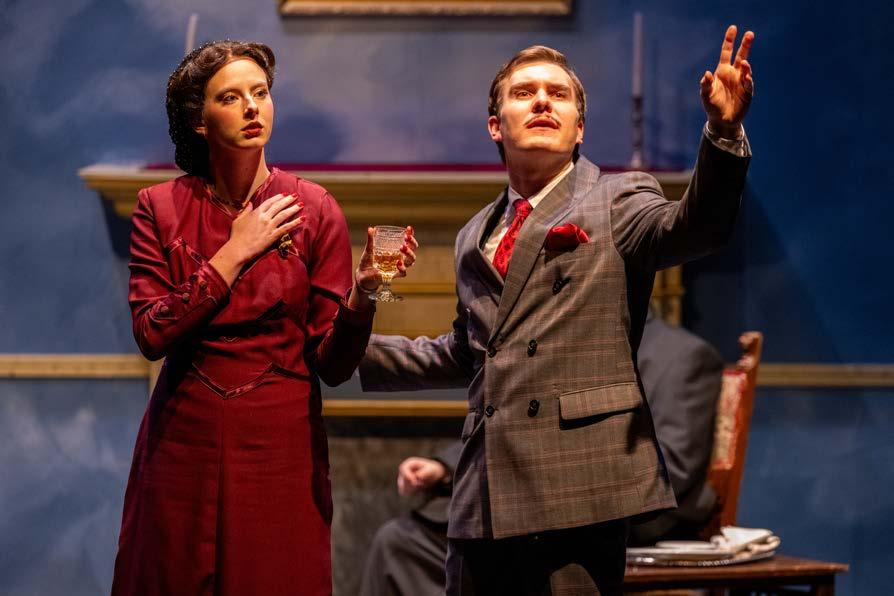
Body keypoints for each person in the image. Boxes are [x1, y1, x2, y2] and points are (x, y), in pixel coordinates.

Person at [359, 26, 754, 595]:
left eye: (558, 94)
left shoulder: (618, 199)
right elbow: (469, 352)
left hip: (576, 488)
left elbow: (696, 227)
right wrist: (351, 346)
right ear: (495, 126)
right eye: (524, 93)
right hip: (483, 493)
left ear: (579, 128)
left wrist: (723, 131)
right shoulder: (474, 234)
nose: (542, 101)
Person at [111, 41, 416, 596]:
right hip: (184, 439)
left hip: (279, 443)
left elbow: (333, 365)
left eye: (261, 93)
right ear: (199, 120)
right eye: (231, 97)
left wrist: (366, 292)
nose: (253, 107)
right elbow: (151, 333)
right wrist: (234, 252)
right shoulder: (159, 206)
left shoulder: (314, 208)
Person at [359, 313, 723, 595]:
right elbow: (514, 418)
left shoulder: (683, 356)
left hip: (624, 523)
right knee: (401, 541)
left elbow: (674, 467)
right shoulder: (563, 337)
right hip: (533, 510)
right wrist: (444, 467)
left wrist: (561, 488)